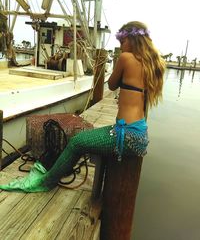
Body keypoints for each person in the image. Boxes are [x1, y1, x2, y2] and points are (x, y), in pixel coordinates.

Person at [0, 21, 165, 192]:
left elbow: (113, 84)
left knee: (77, 142)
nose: (121, 47)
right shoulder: (151, 64)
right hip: (138, 134)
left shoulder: (125, 58)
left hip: (126, 135)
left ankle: (45, 183)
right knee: (85, 138)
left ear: (132, 39)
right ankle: (57, 175)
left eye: (122, 42)